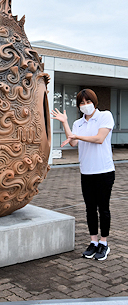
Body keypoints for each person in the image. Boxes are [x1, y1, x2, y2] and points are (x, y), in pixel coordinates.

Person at [51, 89, 115, 261]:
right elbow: (72, 142)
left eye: (88, 102)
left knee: (103, 208)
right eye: (82, 103)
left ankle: (104, 243)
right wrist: (65, 123)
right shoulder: (78, 123)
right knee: (90, 209)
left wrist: (77, 135)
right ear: (79, 106)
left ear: (94, 102)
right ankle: (93, 242)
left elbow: (99, 139)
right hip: (86, 172)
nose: (85, 105)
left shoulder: (105, 116)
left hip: (104, 171)